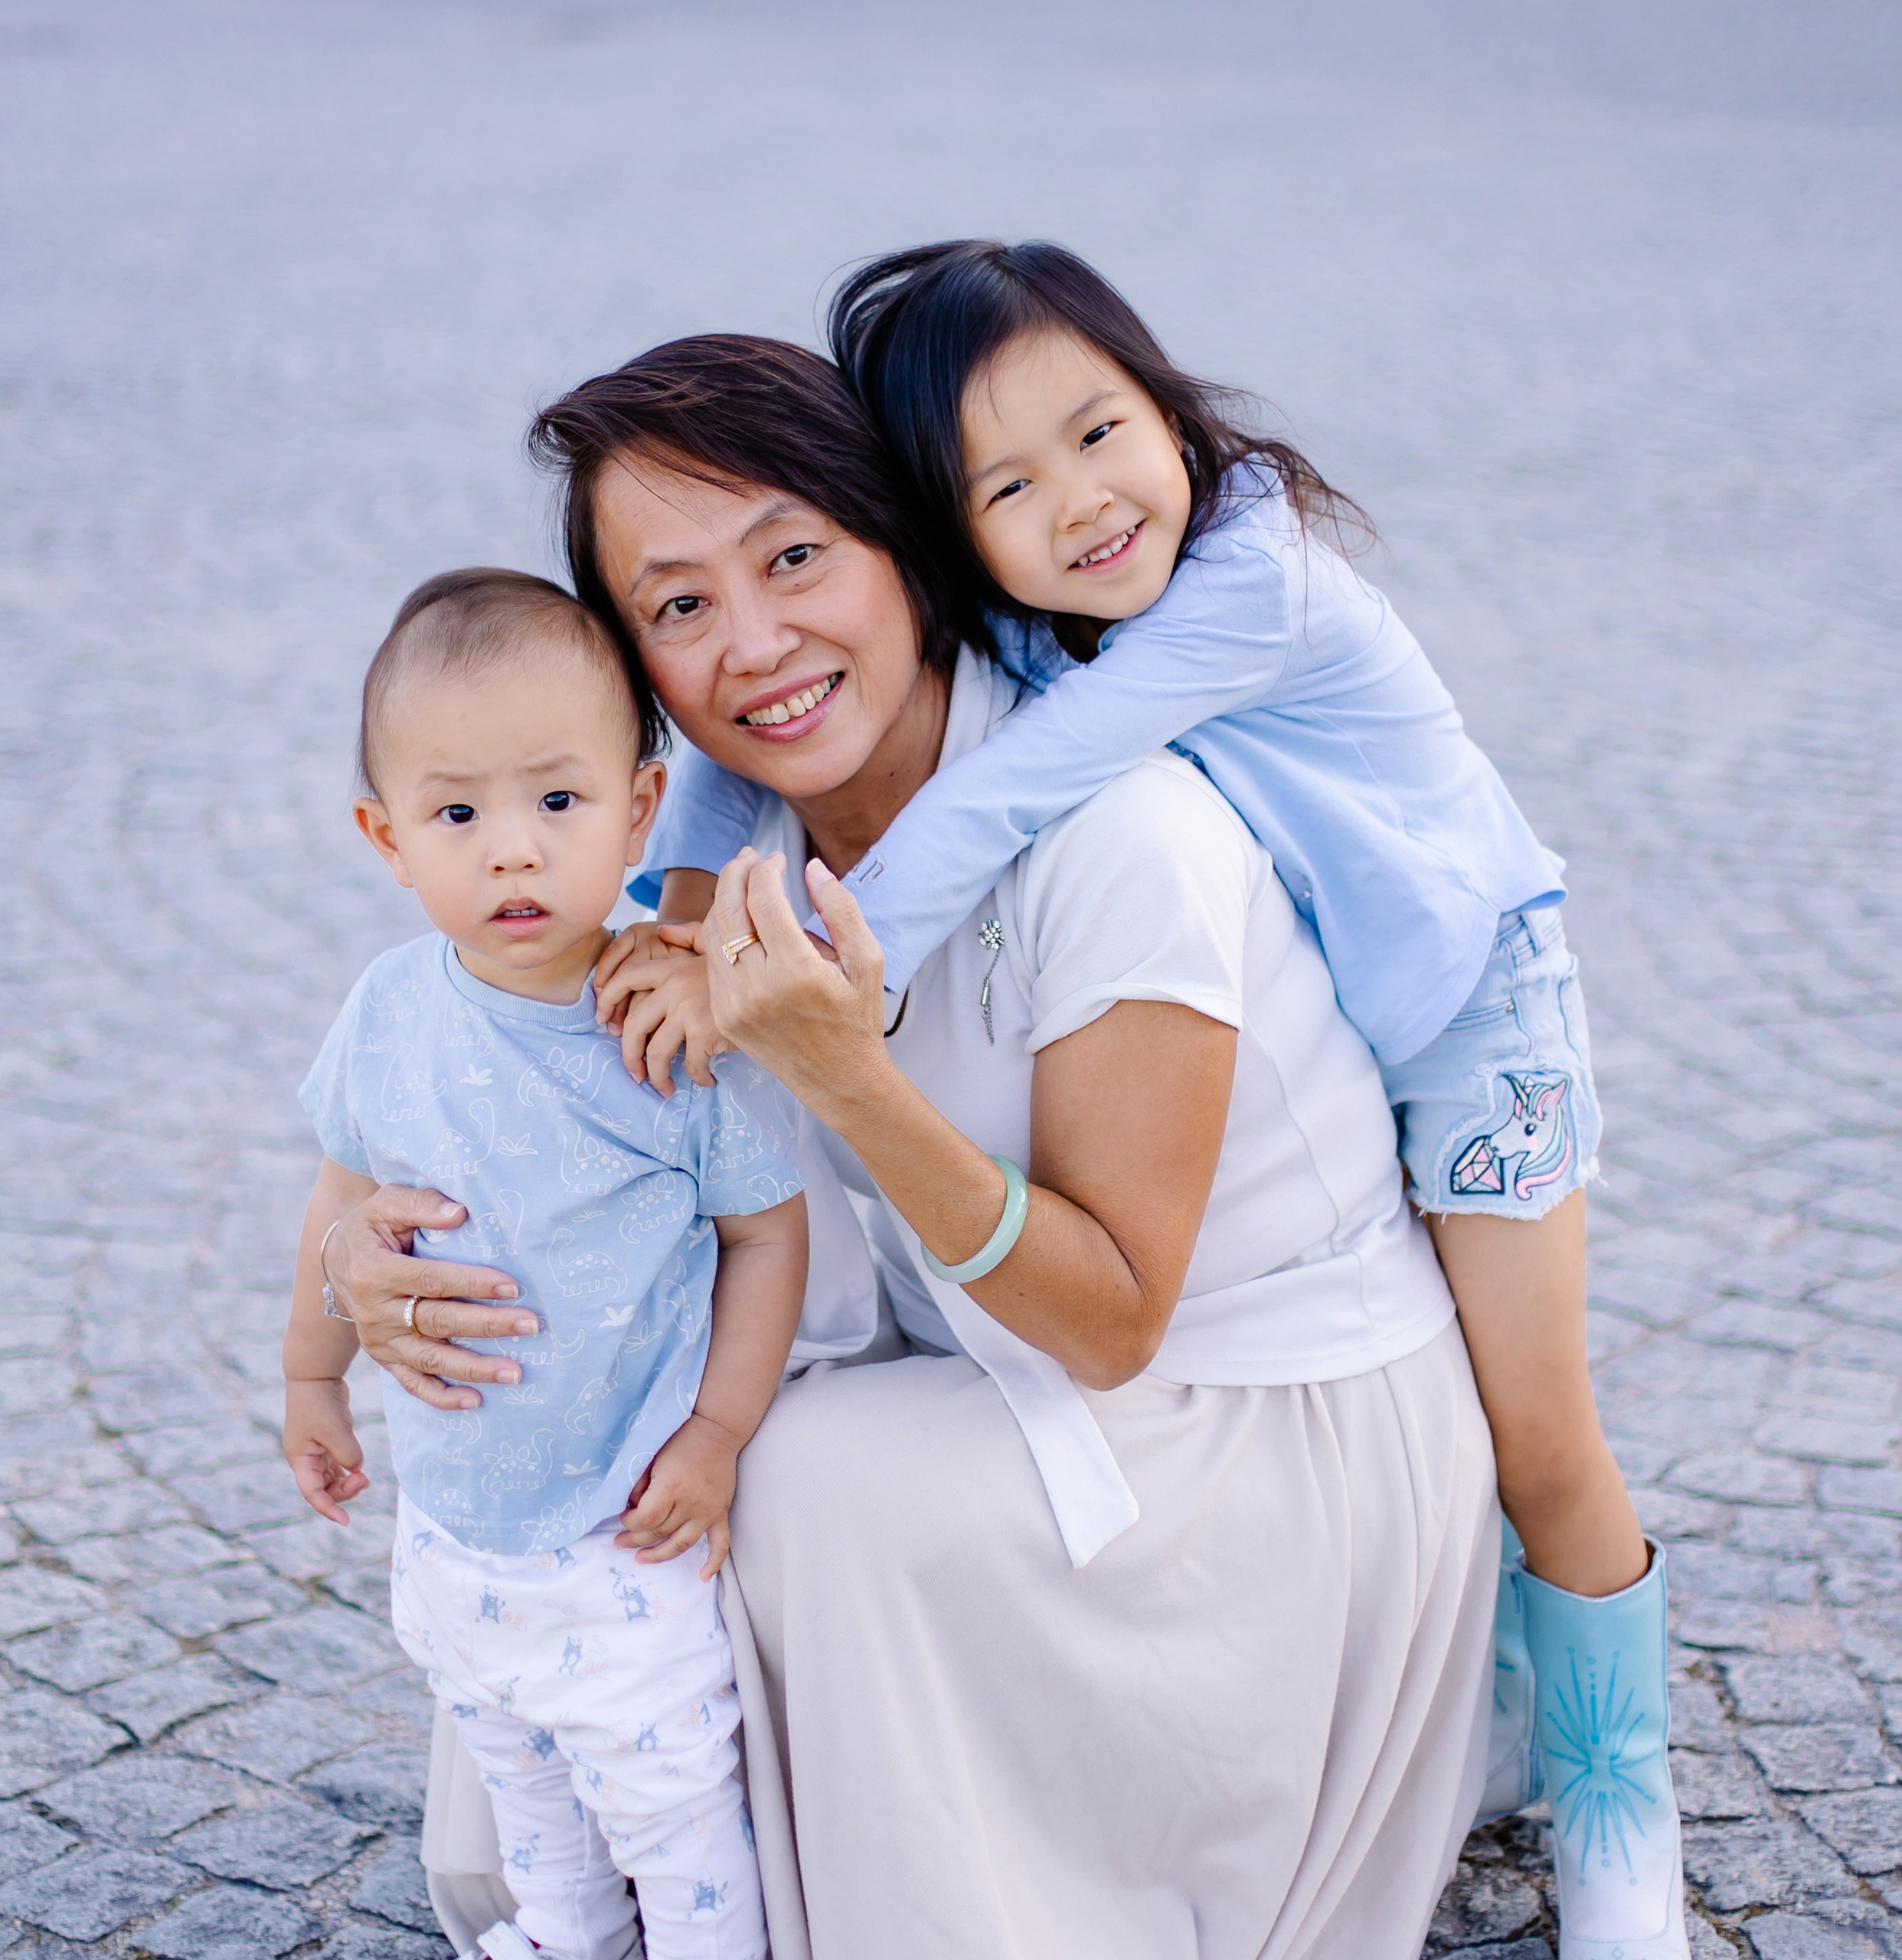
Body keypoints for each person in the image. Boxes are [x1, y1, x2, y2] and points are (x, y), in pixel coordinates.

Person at [325, 338, 1502, 1959]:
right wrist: (368, 1267)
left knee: (796, 1487)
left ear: (905, 545)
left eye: (794, 556)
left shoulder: (1125, 832)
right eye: (675, 607)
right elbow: (618, 1187)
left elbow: (1112, 1318)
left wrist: (846, 1073)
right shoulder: (715, 859)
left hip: (1247, 1432)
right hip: (983, 1364)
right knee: (579, 1469)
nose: (754, 644)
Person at [638, 244, 1685, 1959]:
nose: (1079, 501)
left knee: (1538, 1433)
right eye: (1005, 484)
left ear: (1167, 401)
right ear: (945, 529)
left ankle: (1618, 1817)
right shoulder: (1009, 608)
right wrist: (662, 918)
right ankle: (1487, 1699)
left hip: (1470, 1011)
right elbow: (718, 747)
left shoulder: (1237, 572)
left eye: (1099, 427)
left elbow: (1020, 791)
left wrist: (826, 979)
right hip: (1339, 990)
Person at [279, 568, 809, 1960]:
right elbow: (342, 1186)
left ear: (640, 809)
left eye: (556, 803)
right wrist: (309, 1373)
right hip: (457, 1518)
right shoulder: (389, 1011)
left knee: (671, 1801)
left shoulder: (658, 1030)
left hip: (621, 1520)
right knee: (519, 1774)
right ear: (386, 838)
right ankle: (570, 1937)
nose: (512, 851)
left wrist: (719, 1430)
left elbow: (767, 1229)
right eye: (459, 814)